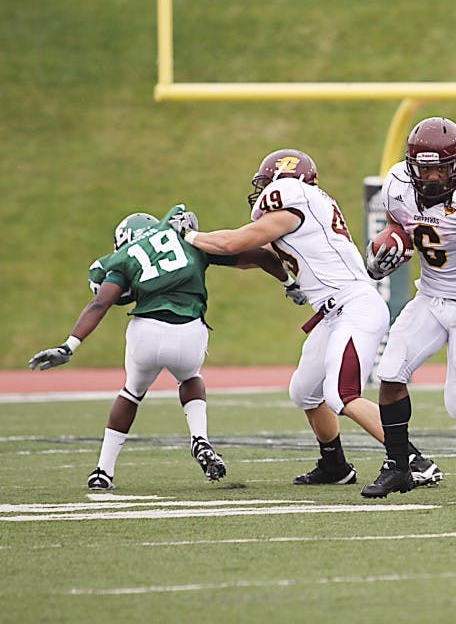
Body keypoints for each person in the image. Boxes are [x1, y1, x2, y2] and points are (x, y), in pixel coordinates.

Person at [170, 149, 441, 489]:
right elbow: (250, 255)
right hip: (333, 313)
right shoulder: (302, 212)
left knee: (341, 394)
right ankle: (335, 466)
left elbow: (238, 240)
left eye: (267, 183)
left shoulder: (293, 204)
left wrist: (190, 236)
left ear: (283, 181)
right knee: (304, 393)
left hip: (353, 306)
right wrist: (199, 250)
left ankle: (414, 461)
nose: (263, 191)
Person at [28, 206, 295, 490]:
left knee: (131, 392)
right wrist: (290, 283)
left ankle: (103, 472)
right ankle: (199, 439)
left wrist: (68, 346)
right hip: (189, 333)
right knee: (191, 379)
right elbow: (260, 256)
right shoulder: (188, 239)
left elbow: (100, 302)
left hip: (147, 334)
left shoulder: (125, 256)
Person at [360, 116, 456, 498]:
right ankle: (398, 467)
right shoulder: (398, 187)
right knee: (390, 373)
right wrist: (383, 255)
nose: (430, 177)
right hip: (430, 297)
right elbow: (405, 233)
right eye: (423, 168)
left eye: (439, 168)